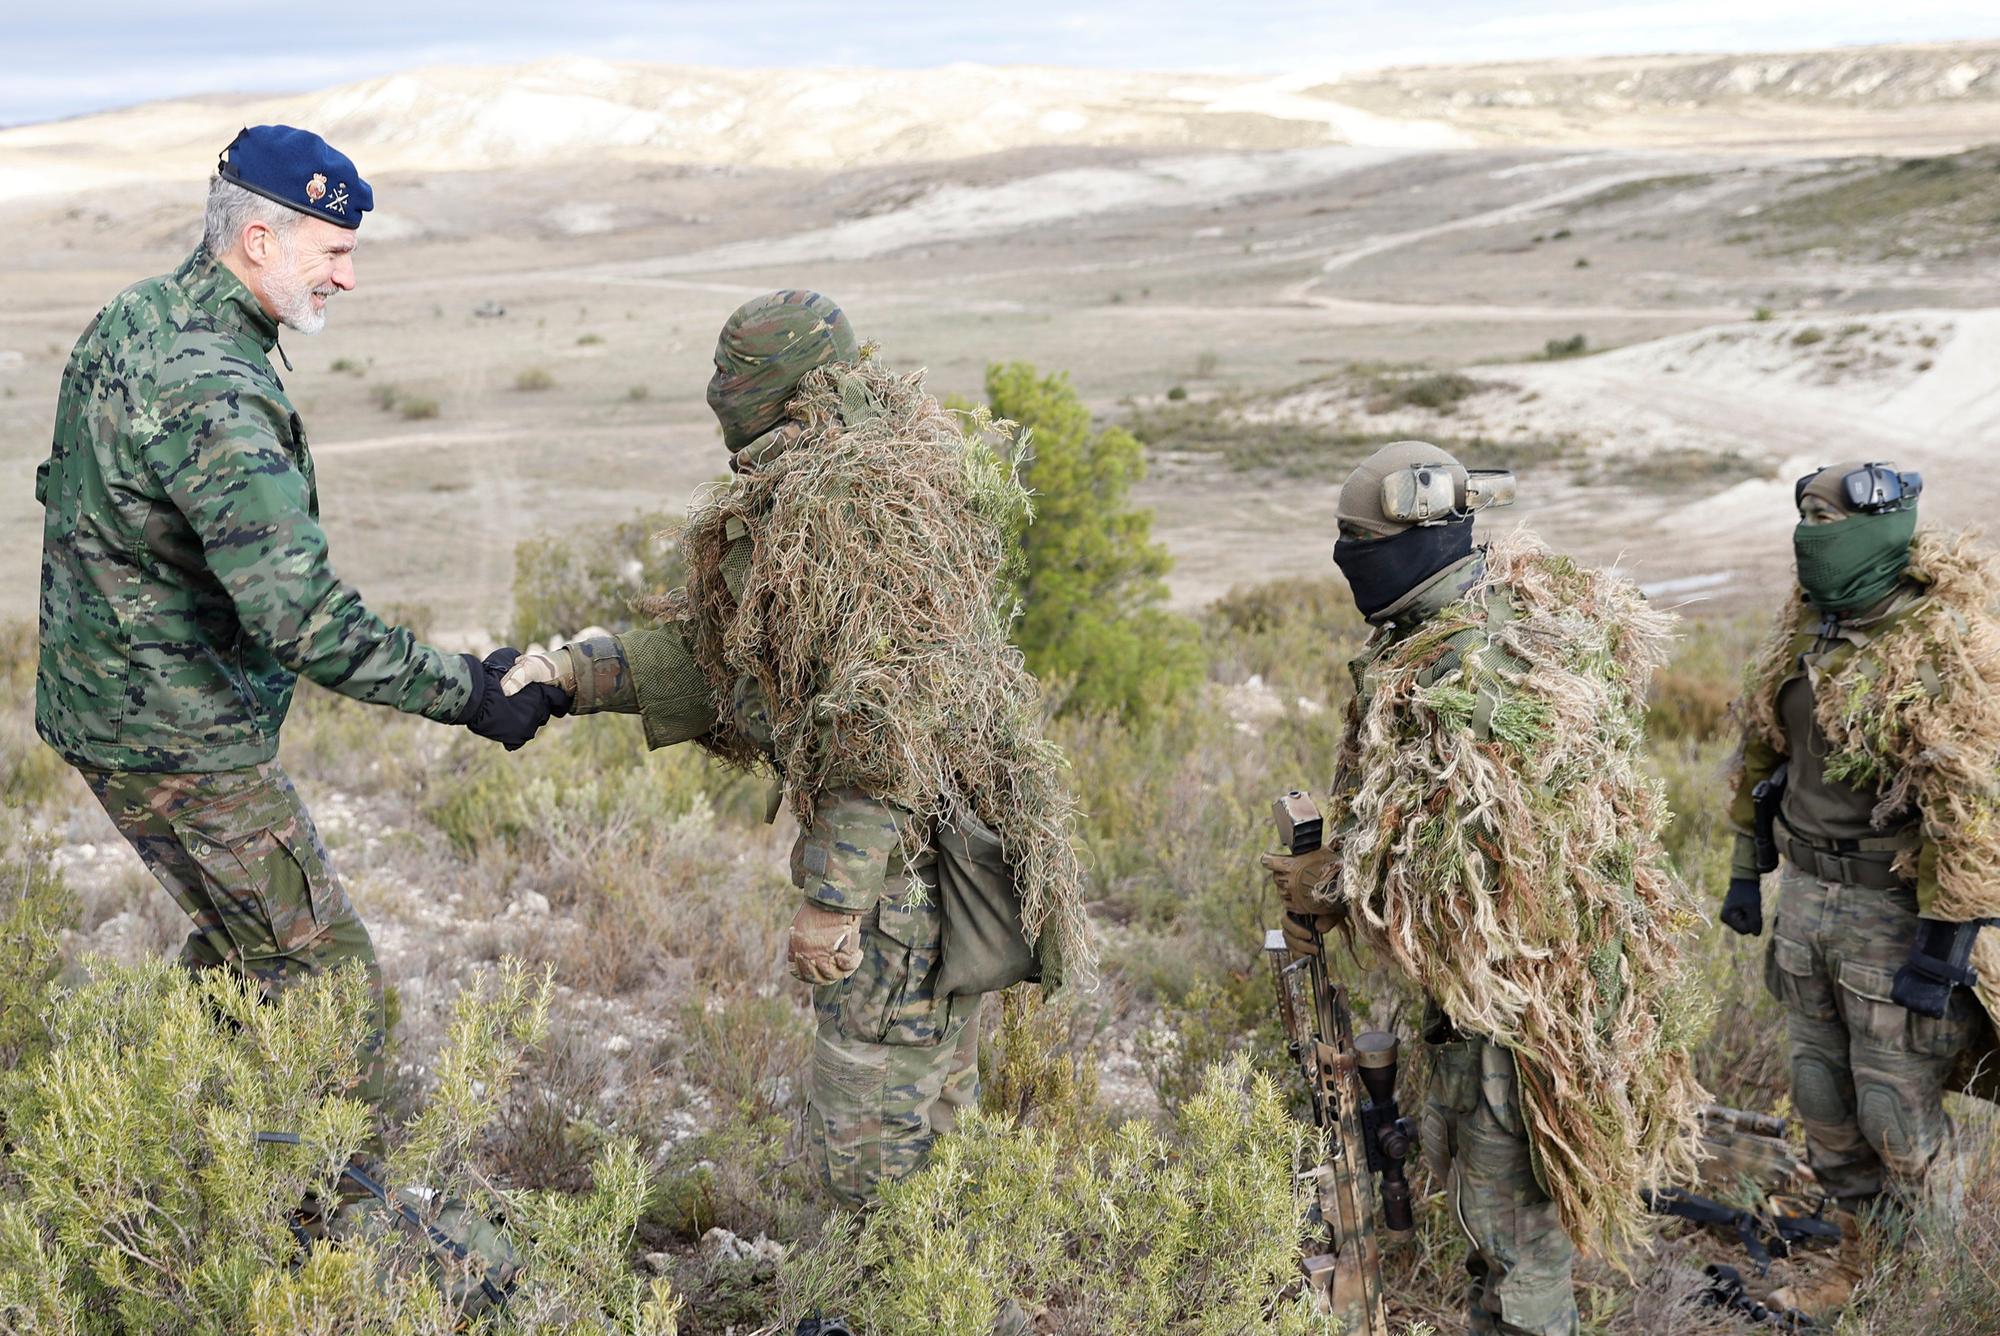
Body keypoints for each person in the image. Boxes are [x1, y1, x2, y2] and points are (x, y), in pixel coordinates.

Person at [500, 290, 1092, 1210]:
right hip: (927, 861)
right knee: (930, 1117)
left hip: (907, 880)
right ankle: (936, 1290)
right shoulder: (843, 475)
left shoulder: (845, 508)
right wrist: (573, 674)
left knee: (872, 1136)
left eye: (732, 375)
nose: (715, 392)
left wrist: (832, 899)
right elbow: (726, 658)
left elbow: (879, 727)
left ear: (776, 388)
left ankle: (883, 1299)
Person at [33, 124, 565, 1123]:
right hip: (182, 740)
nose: (348, 278)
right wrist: (473, 692)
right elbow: (301, 618)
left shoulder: (136, 318)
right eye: (335, 250)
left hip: (106, 720)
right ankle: (309, 1227)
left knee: (240, 952)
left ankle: (190, 1155)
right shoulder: (217, 387)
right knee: (330, 990)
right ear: (260, 242)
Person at [1261, 441, 1705, 1336]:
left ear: (1415, 536)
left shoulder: (1473, 665)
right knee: (1490, 1229)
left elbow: (1469, 872)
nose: (1349, 555)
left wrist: (1338, 880)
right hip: (1510, 996)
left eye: (1360, 538)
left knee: (1517, 1250)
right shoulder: (1468, 624)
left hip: (1522, 1012)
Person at [1722, 460, 2000, 1320]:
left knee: (1897, 1114)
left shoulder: (1941, 641)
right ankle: (1860, 1260)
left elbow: (1975, 802)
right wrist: (1744, 863)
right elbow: (1765, 742)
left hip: (1894, 909)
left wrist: (1946, 944)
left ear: (1883, 525)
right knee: (1821, 1098)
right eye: (1803, 514)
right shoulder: (1810, 624)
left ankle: (1930, 1288)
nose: (1811, 531)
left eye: (1827, 516)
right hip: (1808, 898)